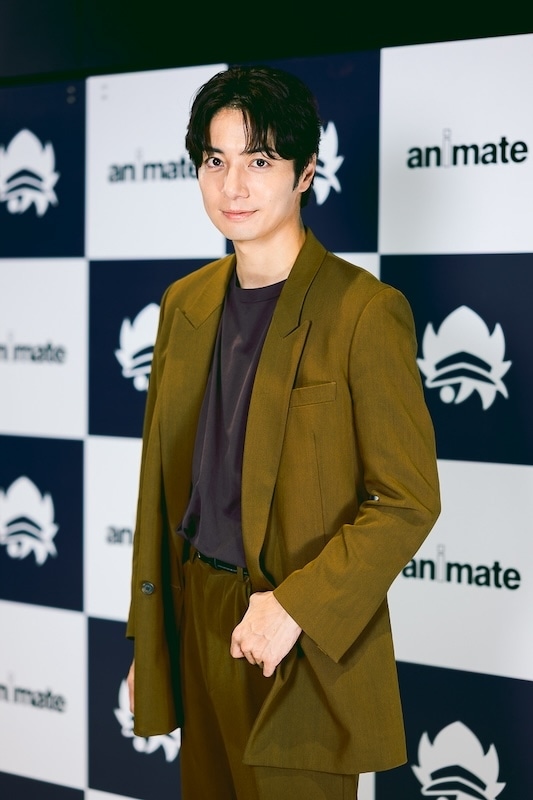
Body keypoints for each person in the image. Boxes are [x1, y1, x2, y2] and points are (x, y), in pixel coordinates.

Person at [126, 64, 441, 799]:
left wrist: (296, 607)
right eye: (215, 161)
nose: (232, 185)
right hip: (197, 617)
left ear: (305, 173)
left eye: (259, 160)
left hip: (299, 636)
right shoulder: (183, 303)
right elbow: (158, 491)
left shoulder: (364, 311)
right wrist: (154, 637)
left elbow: (407, 501)